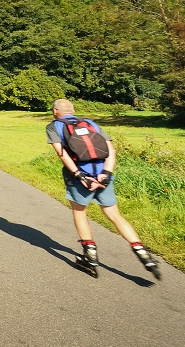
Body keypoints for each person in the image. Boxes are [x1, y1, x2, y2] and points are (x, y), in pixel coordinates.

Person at [47, 98, 161, 280]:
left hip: (80, 179)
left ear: (55, 111)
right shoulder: (90, 123)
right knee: (115, 215)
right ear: (73, 110)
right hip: (103, 176)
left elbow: (62, 155)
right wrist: (106, 174)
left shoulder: (54, 127)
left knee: (80, 213)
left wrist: (80, 176)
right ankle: (142, 252)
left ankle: (90, 256)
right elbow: (111, 151)